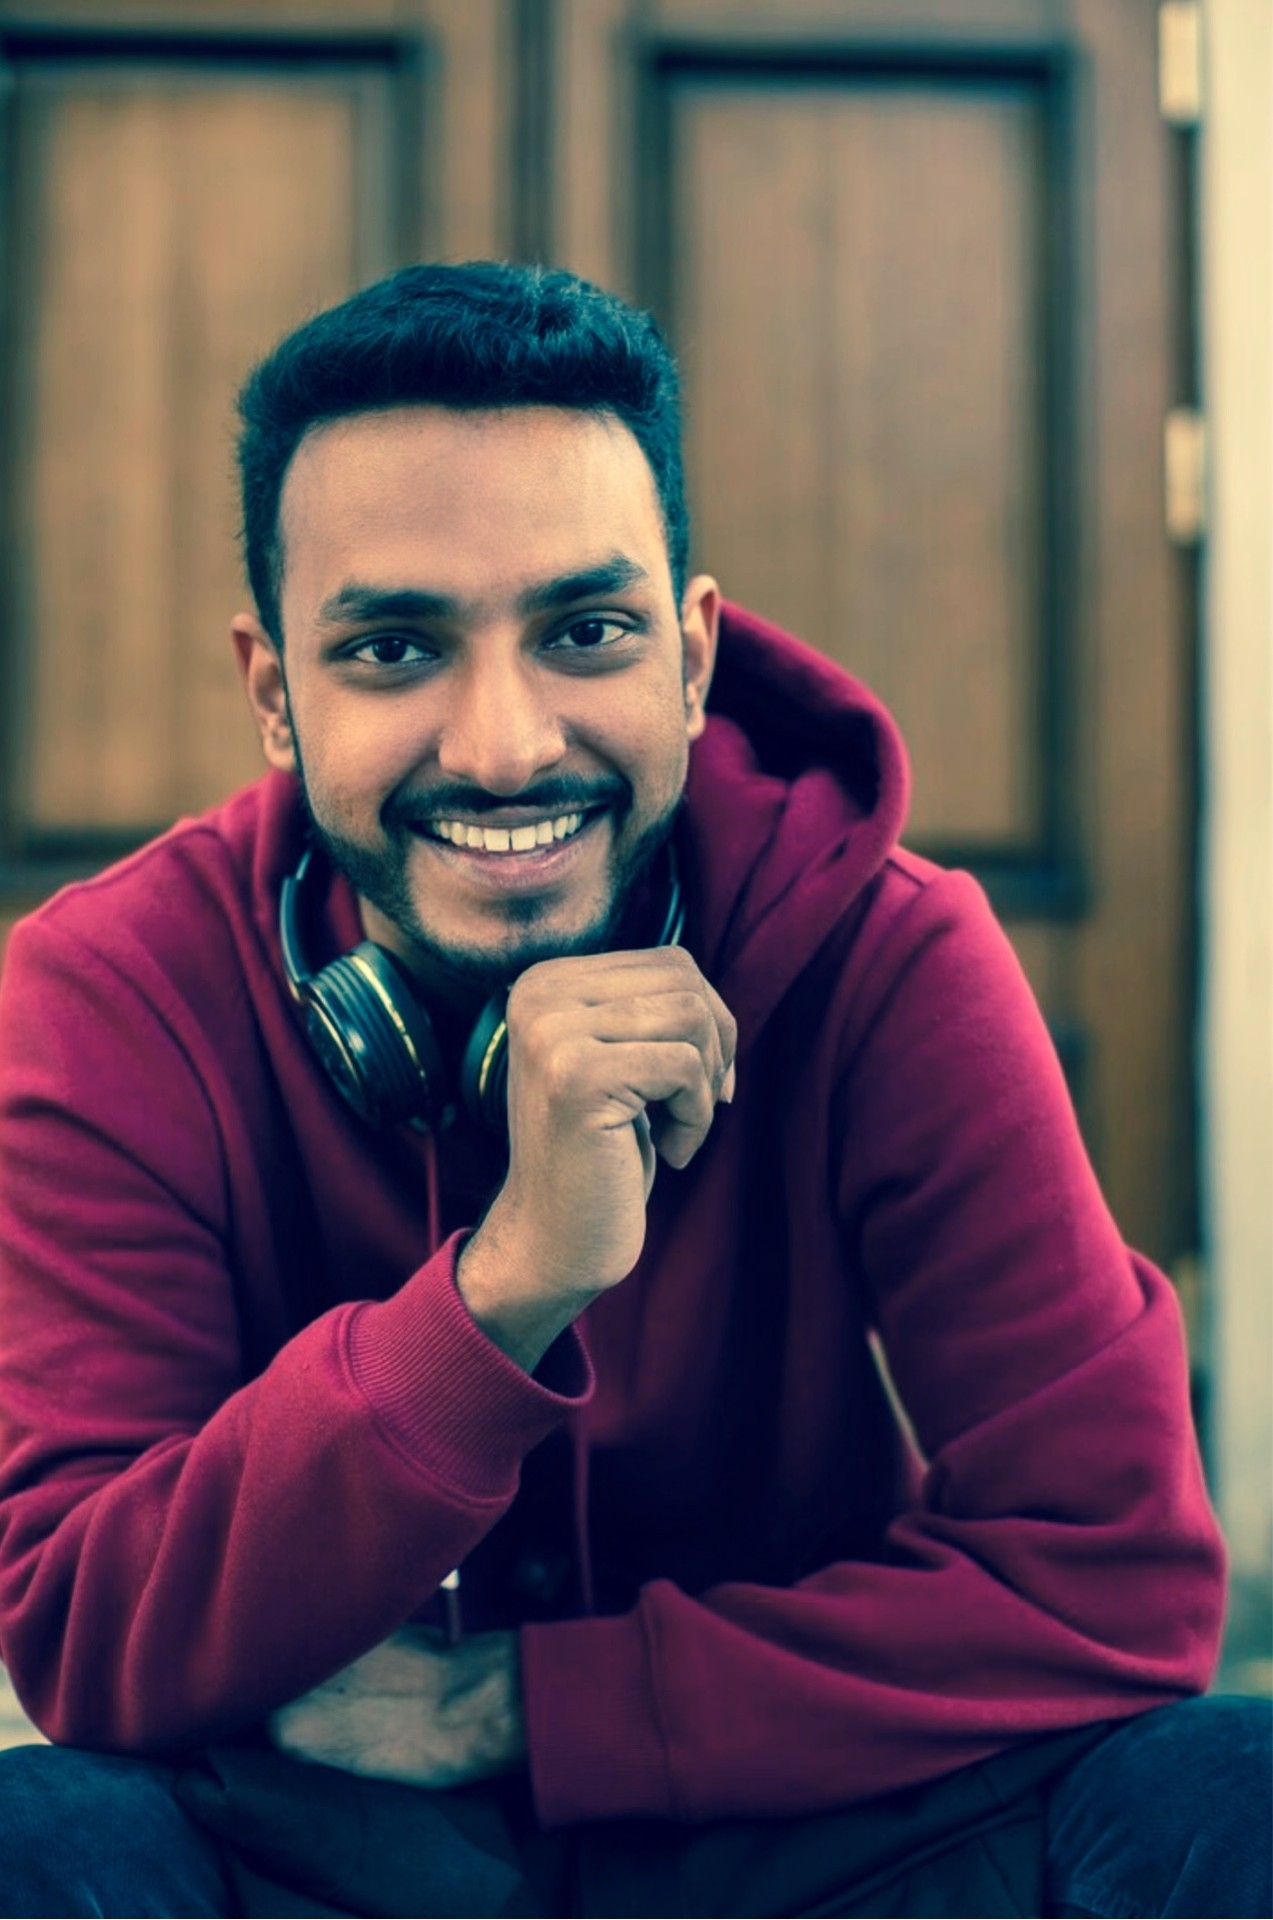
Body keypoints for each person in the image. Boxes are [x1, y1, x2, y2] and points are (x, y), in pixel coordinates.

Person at [0, 261, 1266, 1920]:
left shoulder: (885, 954)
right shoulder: (108, 993)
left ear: (690, 656)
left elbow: (1118, 1579)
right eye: (393, 648)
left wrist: (528, 1708)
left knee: (1229, 1788)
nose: (506, 746)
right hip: (317, 1853)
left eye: (584, 632)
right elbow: (85, 1635)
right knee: (39, 1841)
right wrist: (504, 1290)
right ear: (274, 696)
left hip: (818, 1844)